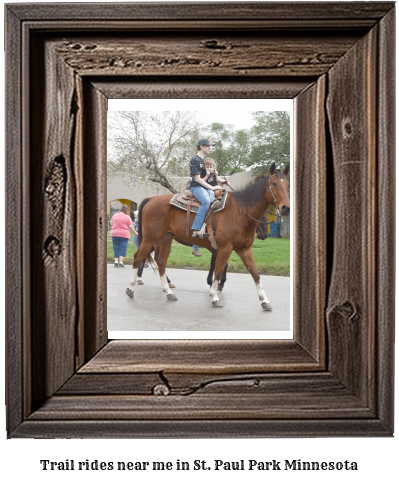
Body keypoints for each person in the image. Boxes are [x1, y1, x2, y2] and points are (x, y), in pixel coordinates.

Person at [189, 138, 223, 238]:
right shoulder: (195, 159)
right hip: (196, 187)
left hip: (205, 187)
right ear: (201, 146)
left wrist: (221, 182)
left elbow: (211, 177)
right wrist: (212, 188)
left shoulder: (205, 161)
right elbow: (198, 179)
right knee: (206, 202)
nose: (209, 148)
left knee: (216, 199)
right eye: (207, 146)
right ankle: (196, 228)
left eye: (209, 146)